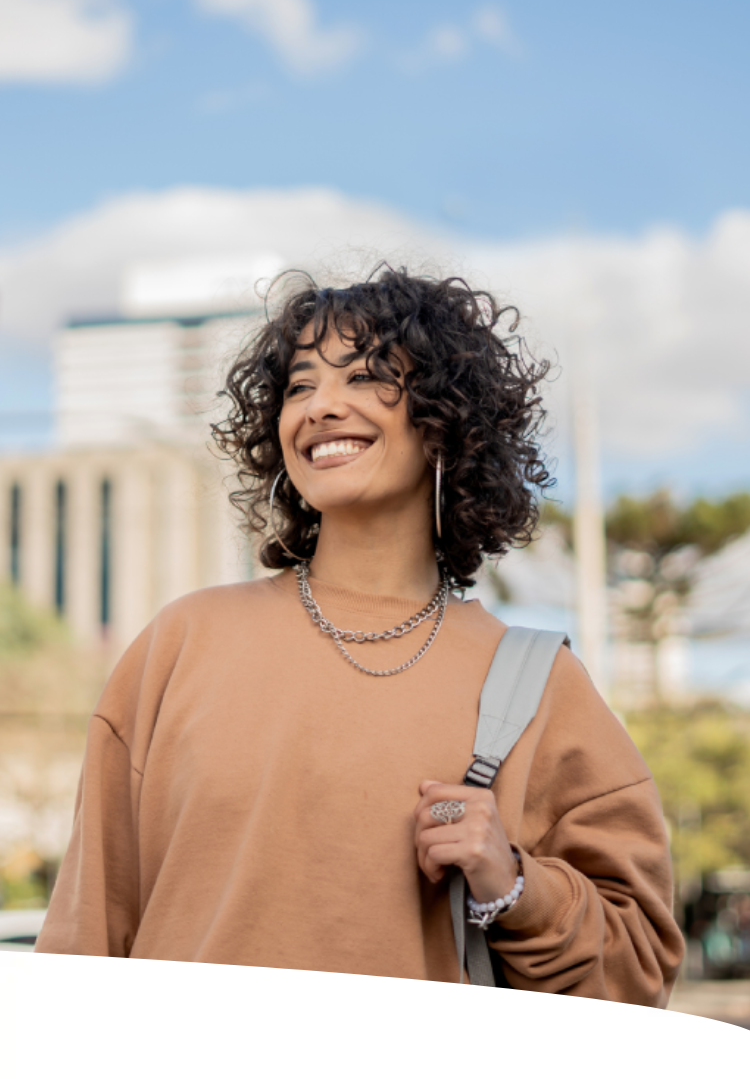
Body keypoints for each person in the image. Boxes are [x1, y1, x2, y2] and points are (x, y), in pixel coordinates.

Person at [36, 266, 684, 1001]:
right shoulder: (181, 643)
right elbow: (81, 942)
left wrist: (514, 885)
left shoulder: (536, 684)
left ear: (445, 419)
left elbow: (638, 972)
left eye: (369, 375)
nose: (321, 407)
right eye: (300, 386)